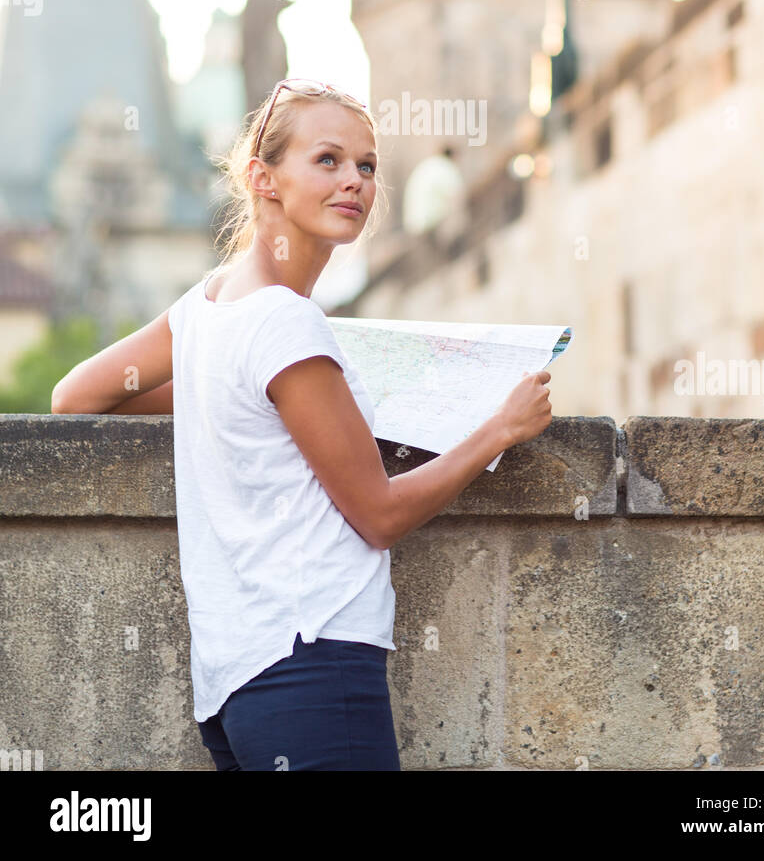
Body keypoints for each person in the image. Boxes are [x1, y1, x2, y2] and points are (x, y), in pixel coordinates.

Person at [52, 78, 553, 771]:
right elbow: (378, 514)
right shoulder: (284, 319)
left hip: (236, 684)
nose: (354, 181)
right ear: (264, 178)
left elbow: (75, 395)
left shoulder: (208, 305)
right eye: (327, 160)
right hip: (314, 662)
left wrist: (237, 394)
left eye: (367, 165)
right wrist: (500, 429)